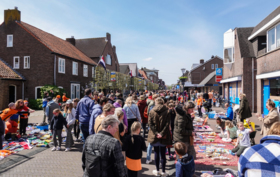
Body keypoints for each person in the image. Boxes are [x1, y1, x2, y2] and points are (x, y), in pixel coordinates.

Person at [147, 97, 171, 177]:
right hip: (164, 135)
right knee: (163, 154)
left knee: (156, 152)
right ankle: (163, 172)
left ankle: (157, 171)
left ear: (156, 102)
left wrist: (156, 133)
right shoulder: (167, 111)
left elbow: (150, 124)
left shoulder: (152, 111)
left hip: (154, 135)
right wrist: (162, 133)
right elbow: (167, 124)